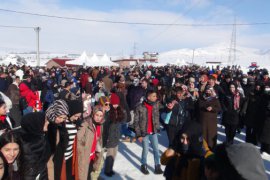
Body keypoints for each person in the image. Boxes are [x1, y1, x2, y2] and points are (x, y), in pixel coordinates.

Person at [134, 90, 163, 175]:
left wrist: (169, 106)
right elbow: (136, 121)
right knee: (146, 150)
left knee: (156, 150)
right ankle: (143, 165)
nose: (156, 97)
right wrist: (138, 135)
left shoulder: (157, 105)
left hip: (153, 132)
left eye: (156, 96)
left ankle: (157, 166)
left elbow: (165, 107)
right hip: (144, 133)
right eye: (154, 96)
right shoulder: (140, 106)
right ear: (148, 97)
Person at [53, 100, 83, 180]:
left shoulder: (75, 122)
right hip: (61, 158)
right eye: (76, 116)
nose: (77, 118)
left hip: (71, 156)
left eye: (79, 116)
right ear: (71, 112)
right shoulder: (62, 122)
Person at [77, 105, 104, 180]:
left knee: (89, 175)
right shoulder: (85, 124)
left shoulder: (100, 125)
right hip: (84, 157)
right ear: (93, 114)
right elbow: (78, 139)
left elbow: (99, 139)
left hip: (92, 157)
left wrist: (98, 150)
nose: (98, 117)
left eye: (101, 116)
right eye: (97, 115)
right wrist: (82, 152)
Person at [20, 112, 50, 180]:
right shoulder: (30, 146)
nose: (48, 122)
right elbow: (30, 173)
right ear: (36, 124)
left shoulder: (39, 137)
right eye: (45, 121)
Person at [104, 93, 126, 177]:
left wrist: (122, 111)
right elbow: (106, 123)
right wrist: (107, 111)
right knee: (110, 154)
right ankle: (107, 170)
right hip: (110, 137)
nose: (116, 105)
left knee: (114, 154)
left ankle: (110, 169)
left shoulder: (119, 110)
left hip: (116, 136)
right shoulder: (109, 111)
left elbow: (124, 119)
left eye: (117, 103)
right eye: (114, 104)